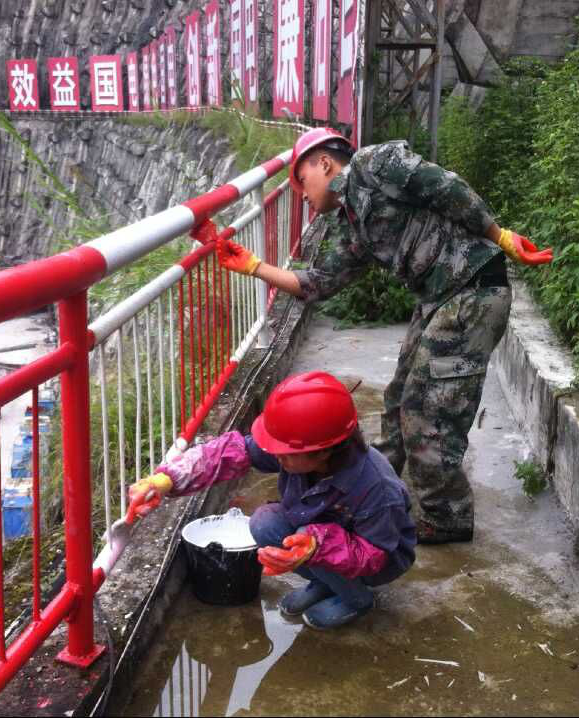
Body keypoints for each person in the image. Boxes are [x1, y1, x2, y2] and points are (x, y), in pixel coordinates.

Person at [202, 128, 552, 544]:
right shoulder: (353, 224)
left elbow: (446, 187)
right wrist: (254, 265)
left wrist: (499, 236)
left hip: (473, 290)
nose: (301, 194)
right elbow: (320, 283)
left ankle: (446, 518)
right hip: (440, 297)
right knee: (399, 397)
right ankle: (378, 491)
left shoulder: (376, 164)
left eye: (301, 181)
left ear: (324, 163)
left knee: (429, 410)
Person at [126, 371, 416, 630]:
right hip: (321, 535)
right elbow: (232, 451)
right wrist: (166, 481)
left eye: (284, 452)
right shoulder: (299, 451)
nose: (275, 455)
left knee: (301, 538)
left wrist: (316, 545)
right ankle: (326, 582)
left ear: (325, 451)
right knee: (266, 523)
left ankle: (356, 599)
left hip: (378, 557)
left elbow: (375, 555)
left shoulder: (378, 489)